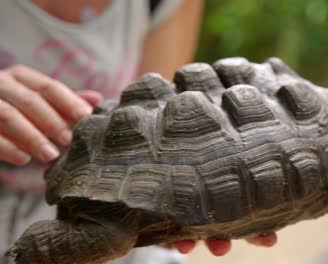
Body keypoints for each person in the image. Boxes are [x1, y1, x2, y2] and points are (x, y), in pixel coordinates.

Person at [0, 1, 277, 263]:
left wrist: (190, 201)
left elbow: (160, 127)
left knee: (116, 237)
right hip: (59, 203)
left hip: (100, 207)